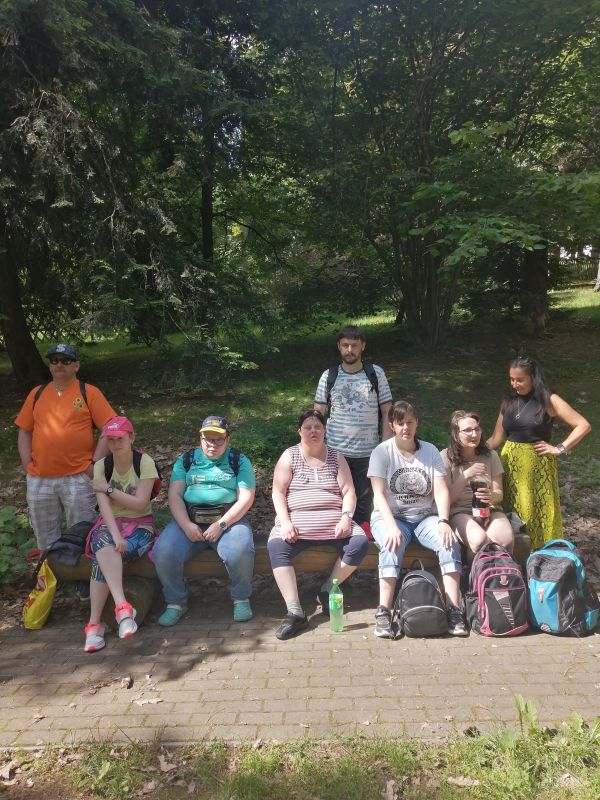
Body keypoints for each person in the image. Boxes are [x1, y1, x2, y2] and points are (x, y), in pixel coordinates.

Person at [368, 401, 468, 639]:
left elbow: (441, 490)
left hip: (425, 517)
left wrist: (444, 521)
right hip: (390, 517)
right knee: (392, 543)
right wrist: (391, 526)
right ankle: (384, 611)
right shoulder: (382, 452)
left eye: (410, 422)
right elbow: (378, 494)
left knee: (449, 542)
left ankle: (453, 609)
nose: (406, 428)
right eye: (400, 423)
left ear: (417, 424)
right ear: (392, 425)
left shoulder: (430, 451)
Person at [268, 410, 370, 640]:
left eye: (318, 427)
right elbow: (278, 492)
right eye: (308, 427)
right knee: (276, 546)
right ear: (300, 431)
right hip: (297, 525)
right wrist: (285, 522)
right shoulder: (289, 456)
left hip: (335, 524)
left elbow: (349, 491)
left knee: (360, 542)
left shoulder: (336, 457)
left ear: (324, 431)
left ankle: (327, 589)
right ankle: (295, 612)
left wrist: (346, 517)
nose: (313, 431)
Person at [153, 415, 255, 626]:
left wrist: (222, 524)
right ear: (200, 438)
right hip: (190, 520)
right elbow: (174, 495)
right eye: (208, 439)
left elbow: (246, 497)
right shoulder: (186, 460)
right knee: (163, 550)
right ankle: (175, 602)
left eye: (218, 439)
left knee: (240, 549)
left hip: (228, 521)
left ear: (227, 439)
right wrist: (186, 525)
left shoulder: (238, 460)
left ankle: (241, 598)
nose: (212, 444)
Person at [15, 343, 116, 550]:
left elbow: (110, 427)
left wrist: (95, 464)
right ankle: (50, 570)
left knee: (82, 535)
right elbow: (24, 431)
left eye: (65, 360)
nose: (59, 364)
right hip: (40, 478)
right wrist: (27, 464)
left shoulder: (89, 392)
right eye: (55, 360)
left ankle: (82, 570)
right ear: (50, 365)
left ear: (76, 365)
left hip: (78, 477)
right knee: (45, 538)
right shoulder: (37, 393)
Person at [487, 355, 591, 548]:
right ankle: (514, 556)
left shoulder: (548, 399)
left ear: (533, 378)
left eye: (520, 380)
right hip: (509, 466)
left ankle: (542, 555)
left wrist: (559, 448)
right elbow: (496, 439)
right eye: (511, 379)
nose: (514, 384)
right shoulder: (508, 401)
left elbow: (583, 425)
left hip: (536, 467)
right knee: (511, 512)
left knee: (536, 512)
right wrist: (466, 451)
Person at [83, 416, 159, 652]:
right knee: (105, 544)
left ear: (131, 438)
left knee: (101, 558)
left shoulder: (144, 462)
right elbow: (104, 508)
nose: (115, 444)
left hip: (141, 526)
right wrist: (116, 536)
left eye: (120, 439)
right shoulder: (101, 465)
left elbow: (139, 503)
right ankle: (123, 609)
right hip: (109, 526)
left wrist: (108, 488)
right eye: (111, 440)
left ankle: (94, 625)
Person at [314, 325, 393, 526]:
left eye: (354, 345)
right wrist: (315, 448)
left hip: (368, 453)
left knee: (365, 506)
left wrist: (385, 447)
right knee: (336, 501)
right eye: (345, 345)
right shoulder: (329, 376)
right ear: (339, 346)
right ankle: (336, 537)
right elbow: (317, 415)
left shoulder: (375, 373)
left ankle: (363, 540)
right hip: (335, 453)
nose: (350, 350)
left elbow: (388, 411)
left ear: (363, 346)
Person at [440, 410, 513, 559]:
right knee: (479, 540)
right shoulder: (445, 457)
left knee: (504, 540)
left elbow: (499, 494)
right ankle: (475, 573)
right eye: (468, 430)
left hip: (489, 510)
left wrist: (491, 496)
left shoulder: (490, 456)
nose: (474, 434)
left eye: (477, 429)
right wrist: (466, 475)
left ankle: (501, 573)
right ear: (456, 434)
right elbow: (447, 499)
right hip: (460, 511)